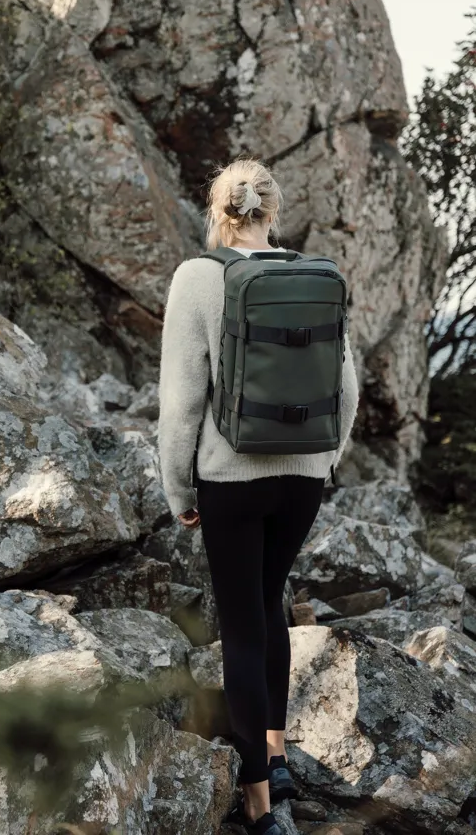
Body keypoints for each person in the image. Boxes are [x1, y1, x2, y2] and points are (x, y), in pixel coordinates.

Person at [157, 158, 359, 835]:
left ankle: (258, 805)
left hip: (232, 479)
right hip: (303, 478)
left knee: (242, 626)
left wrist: (178, 487)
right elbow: (346, 389)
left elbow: (181, 402)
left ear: (217, 212)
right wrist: (323, 461)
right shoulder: (315, 277)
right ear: (273, 211)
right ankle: (274, 754)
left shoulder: (198, 277)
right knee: (270, 602)